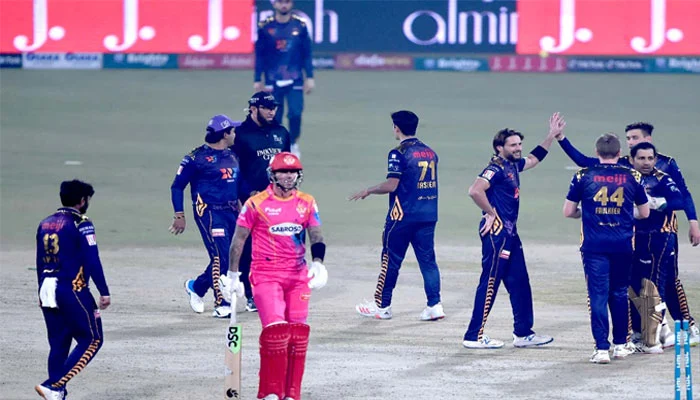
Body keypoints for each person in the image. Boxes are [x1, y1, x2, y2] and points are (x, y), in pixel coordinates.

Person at [555, 122, 699, 345]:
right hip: (633, 234)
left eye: (634, 138)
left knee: (667, 281)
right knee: (632, 284)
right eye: (628, 139)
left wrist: (692, 221)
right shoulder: (625, 165)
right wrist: (561, 139)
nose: (630, 142)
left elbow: (683, 196)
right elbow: (587, 163)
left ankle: (685, 326)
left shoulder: (666, 166)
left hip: (662, 233)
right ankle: (646, 331)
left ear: (648, 140)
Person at [221, 151, 327, 400]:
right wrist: (233, 275)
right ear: (273, 174)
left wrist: (318, 264)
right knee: (276, 332)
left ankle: (291, 394)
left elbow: (316, 236)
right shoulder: (256, 203)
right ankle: (270, 392)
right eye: (283, 172)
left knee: (297, 335)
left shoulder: (307, 202)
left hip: (298, 276)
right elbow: (238, 240)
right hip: (266, 275)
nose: (288, 177)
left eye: (292, 172)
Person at [462, 113, 564, 350]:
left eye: (519, 144)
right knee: (490, 282)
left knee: (520, 283)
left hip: (510, 234)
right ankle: (473, 335)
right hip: (497, 234)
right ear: (500, 147)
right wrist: (490, 213)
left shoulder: (512, 165)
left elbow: (534, 159)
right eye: (513, 145)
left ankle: (523, 333)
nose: (518, 148)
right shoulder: (495, 168)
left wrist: (551, 136)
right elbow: (475, 191)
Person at [563, 133, 650, 364]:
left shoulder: (583, 175)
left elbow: (568, 211)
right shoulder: (633, 176)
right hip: (623, 243)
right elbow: (644, 213)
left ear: (597, 152)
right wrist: (624, 215)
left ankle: (602, 348)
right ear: (619, 153)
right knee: (619, 293)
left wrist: (586, 214)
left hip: (594, 245)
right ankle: (620, 345)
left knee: (598, 295)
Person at [350, 111, 444, 322]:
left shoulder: (398, 153)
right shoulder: (430, 152)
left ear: (396, 128)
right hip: (428, 214)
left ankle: (382, 306)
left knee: (390, 261)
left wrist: (368, 190)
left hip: (402, 217)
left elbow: (392, 185)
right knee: (428, 261)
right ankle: (434, 305)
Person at [35, 180, 110, 400]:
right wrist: (104, 291)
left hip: (47, 288)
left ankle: (56, 394)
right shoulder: (81, 223)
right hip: (72, 289)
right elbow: (92, 259)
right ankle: (54, 385)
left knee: (59, 344)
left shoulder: (44, 223)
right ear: (82, 200)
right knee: (93, 339)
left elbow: (39, 261)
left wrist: (39, 291)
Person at [170, 114, 240, 318]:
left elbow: (237, 184)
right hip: (209, 212)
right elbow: (177, 186)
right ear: (225, 134)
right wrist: (179, 215)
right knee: (220, 256)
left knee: (231, 255)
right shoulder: (195, 158)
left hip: (232, 211)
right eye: (232, 131)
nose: (235, 134)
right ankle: (221, 302)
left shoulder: (233, 154)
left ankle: (197, 287)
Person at [232, 91, 292, 312]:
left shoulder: (281, 132)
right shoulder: (240, 135)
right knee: (248, 248)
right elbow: (233, 169)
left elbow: (287, 166)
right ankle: (250, 295)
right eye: (266, 108)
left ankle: (276, 289)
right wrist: (244, 195)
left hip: (277, 200)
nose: (271, 111)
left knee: (280, 244)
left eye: (273, 107)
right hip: (249, 200)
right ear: (253, 108)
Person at [627, 142, 685, 353]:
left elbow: (680, 200)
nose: (646, 162)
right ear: (632, 159)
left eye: (650, 158)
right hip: (633, 239)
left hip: (658, 239)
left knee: (654, 287)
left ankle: (658, 334)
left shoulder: (662, 178)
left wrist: (655, 203)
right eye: (641, 158)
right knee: (633, 286)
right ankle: (639, 332)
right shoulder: (627, 178)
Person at [255, 0, 315, 158]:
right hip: (272, 80)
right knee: (274, 116)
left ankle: (293, 143)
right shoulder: (265, 27)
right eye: (280, 2)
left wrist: (309, 77)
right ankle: (278, 146)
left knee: (295, 113)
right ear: (274, 4)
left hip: (295, 78)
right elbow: (260, 55)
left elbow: (307, 54)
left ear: (291, 4)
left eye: (287, 2)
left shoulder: (300, 26)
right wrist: (258, 78)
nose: (284, 5)